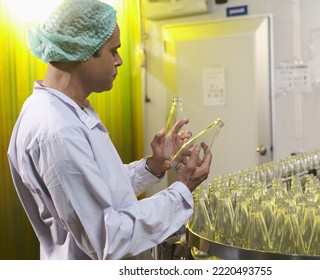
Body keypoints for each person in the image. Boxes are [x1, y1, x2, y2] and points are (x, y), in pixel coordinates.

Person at [7, 0, 212, 260]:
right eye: (113, 50)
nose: (120, 60)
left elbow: (99, 189)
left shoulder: (70, 110)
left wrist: (153, 166)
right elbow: (109, 239)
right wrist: (183, 188)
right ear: (81, 50)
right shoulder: (57, 131)